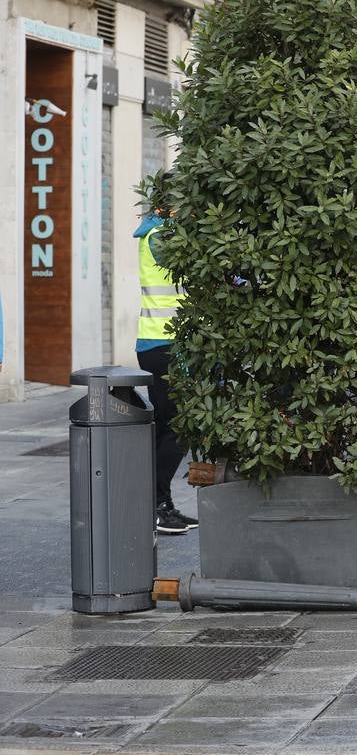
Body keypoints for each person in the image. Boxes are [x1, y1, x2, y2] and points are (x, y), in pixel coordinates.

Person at [133, 211, 196, 535]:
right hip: (163, 344)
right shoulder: (159, 236)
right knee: (181, 425)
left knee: (164, 428)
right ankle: (155, 506)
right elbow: (191, 258)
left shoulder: (161, 232)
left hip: (161, 342)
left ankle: (160, 504)